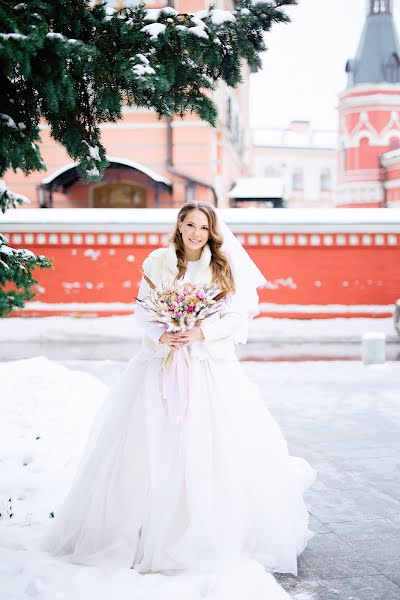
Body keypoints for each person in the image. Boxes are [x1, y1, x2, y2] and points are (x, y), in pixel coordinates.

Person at [43, 201, 316, 580]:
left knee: (207, 445)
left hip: (206, 366)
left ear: (212, 232)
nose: (196, 233)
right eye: (190, 225)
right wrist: (162, 332)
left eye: (203, 227)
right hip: (159, 365)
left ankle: (202, 533)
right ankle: (132, 533)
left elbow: (236, 315)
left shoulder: (222, 266)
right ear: (179, 225)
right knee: (144, 445)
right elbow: (141, 309)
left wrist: (201, 332)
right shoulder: (157, 262)